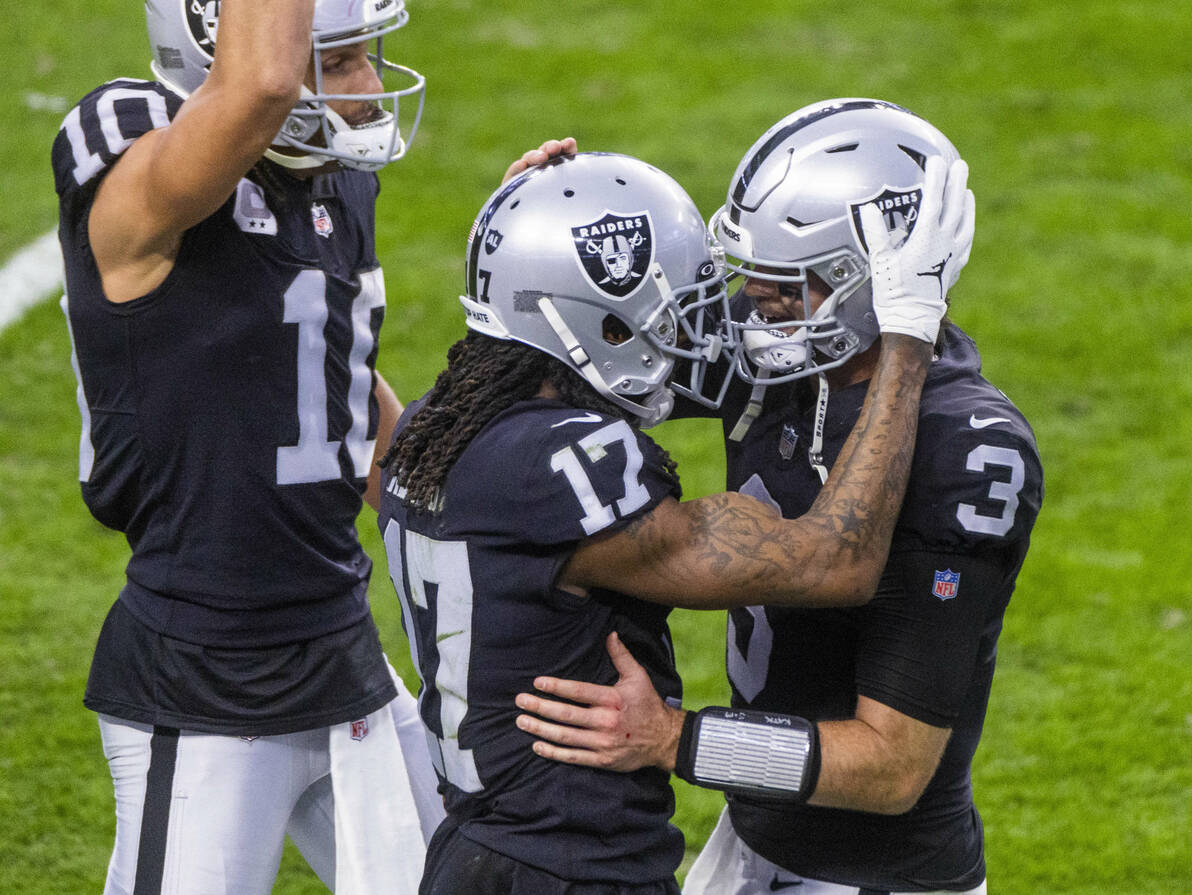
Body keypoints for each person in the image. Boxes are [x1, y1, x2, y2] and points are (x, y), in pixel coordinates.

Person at [48, 1, 569, 892]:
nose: (369, 89)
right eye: (343, 59)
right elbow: (256, 87)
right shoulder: (130, 153)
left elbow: (338, 399)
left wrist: (525, 256)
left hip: (341, 657)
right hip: (205, 681)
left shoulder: (334, 180)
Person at [374, 147, 969, 893]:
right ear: (593, 323)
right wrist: (907, 340)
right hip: (574, 867)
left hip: (474, 844)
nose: (689, 331)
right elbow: (833, 562)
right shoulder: (569, 469)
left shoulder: (438, 427)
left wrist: (524, 237)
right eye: (660, 315)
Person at [514, 100, 1044, 895]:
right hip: (753, 831)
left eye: (791, 281)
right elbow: (589, 359)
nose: (755, 297)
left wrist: (674, 739)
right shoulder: (784, 349)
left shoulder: (969, 452)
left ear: (878, 283)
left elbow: (893, 766)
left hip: (876, 876)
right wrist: (537, 243)